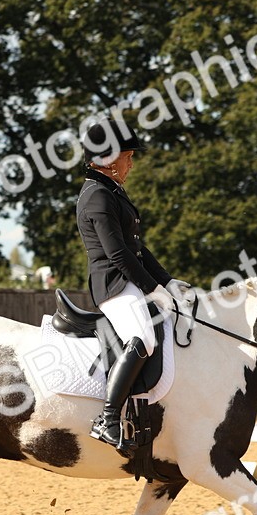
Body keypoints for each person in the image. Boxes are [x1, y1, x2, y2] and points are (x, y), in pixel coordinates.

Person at [75, 116, 193, 453]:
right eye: (128, 156)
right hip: (113, 283)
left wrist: (167, 281)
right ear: (110, 159)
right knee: (142, 337)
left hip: (127, 279)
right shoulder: (97, 196)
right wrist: (153, 289)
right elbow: (117, 254)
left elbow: (137, 248)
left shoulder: (111, 191)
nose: (131, 163)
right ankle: (108, 418)